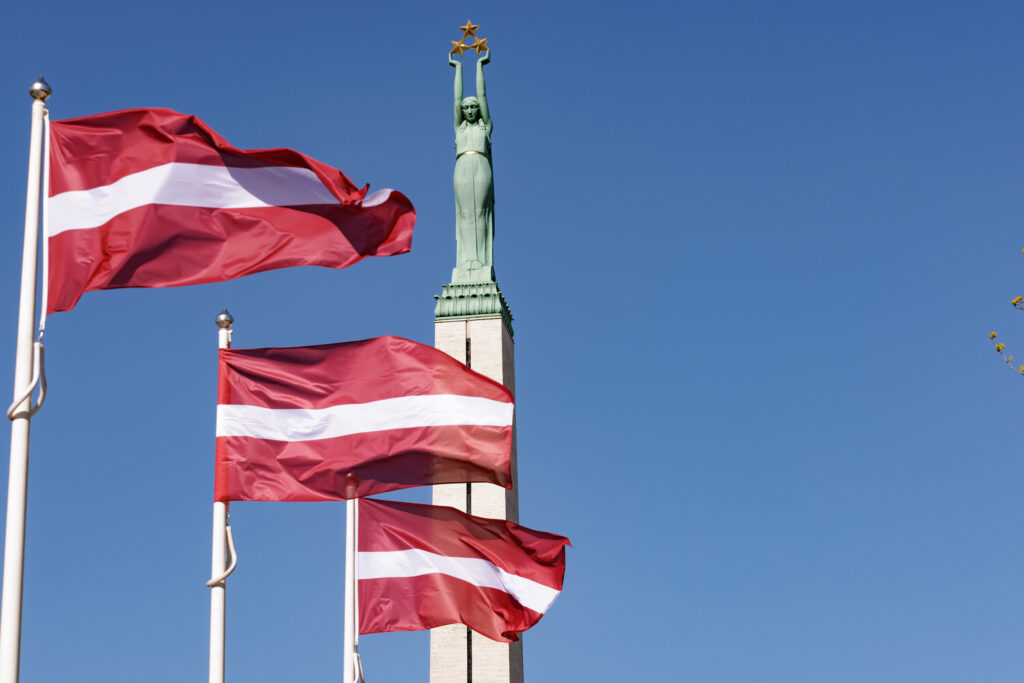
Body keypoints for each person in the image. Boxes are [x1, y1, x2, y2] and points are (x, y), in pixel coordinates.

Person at [450, 49, 494, 282]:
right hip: (462, 166)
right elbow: (456, 100)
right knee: (465, 214)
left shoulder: (484, 128)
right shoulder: (460, 129)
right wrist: (458, 69)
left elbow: (483, 95)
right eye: (466, 107)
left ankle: (479, 260)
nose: (468, 110)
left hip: (481, 164)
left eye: (473, 107)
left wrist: (479, 66)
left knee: (480, 213)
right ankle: (466, 260)